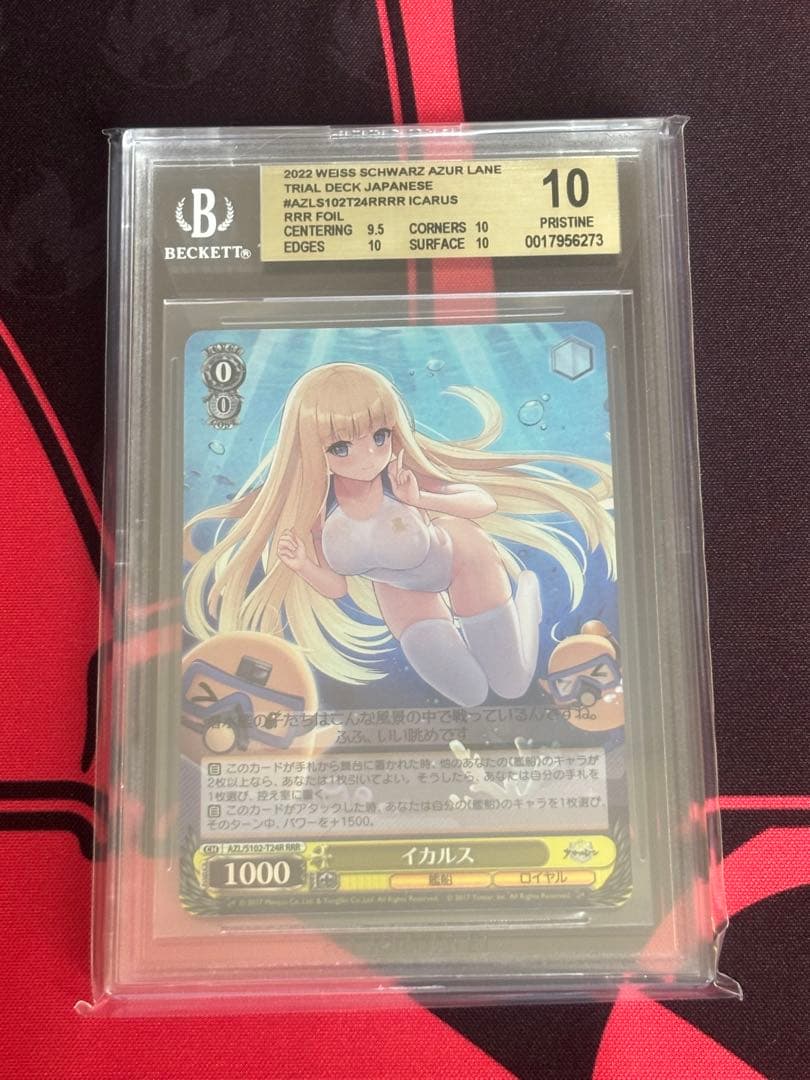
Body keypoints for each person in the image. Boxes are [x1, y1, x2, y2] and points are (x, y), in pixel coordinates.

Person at [184, 362, 614, 707]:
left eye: (379, 436)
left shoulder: (400, 474)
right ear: (313, 449)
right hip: (398, 589)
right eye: (341, 447)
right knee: (469, 693)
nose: (367, 456)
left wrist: (420, 498)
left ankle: (527, 601)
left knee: (512, 685)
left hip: (462, 558)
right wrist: (301, 566)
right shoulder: (317, 511)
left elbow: (483, 503)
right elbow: (336, 587)